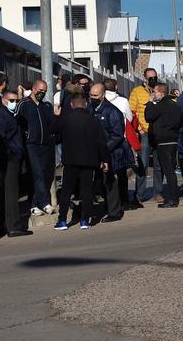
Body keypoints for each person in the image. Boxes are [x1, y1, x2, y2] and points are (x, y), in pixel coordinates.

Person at [52, 95, 108, 230]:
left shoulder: (66, 119)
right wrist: (104, 159)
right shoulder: (93, 120)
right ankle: (85, 220)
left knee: (66, 190)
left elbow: (55, 133)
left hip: (71, 160)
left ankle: (63, 220)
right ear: (86, 105)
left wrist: (56, 116)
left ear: (71, 105)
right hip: (89, 160)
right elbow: (101, 142)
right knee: (87, 190)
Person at [90, 83, 132, 223]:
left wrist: (103, 150)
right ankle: (110, 207)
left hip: (111, 152)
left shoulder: (112, 111)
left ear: (103, 95)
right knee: (99, 183)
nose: (92, 97)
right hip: (97, 152)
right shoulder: (91, 108)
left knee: (109, 182)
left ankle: (114, 212)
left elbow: (117, 135)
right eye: (91, 94)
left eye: (95, 95)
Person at [0, 88, 25, 239]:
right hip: (8, 159)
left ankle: (6, 225)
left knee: (8, 192)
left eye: (16, 101)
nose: (14, 103)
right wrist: (11, 152)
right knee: (11, 193)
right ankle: (13, 226)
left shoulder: (9, 115)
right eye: (11, 101)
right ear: (3, 101)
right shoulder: (2, 116)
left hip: (11, 158)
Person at [18, 79, 55, 218]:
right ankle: (43, 202)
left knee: (44, 174)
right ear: (33, 89)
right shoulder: (24, 104)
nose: (42, 93)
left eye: (45, 91)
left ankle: (35, 204)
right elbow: (19, 122)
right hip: (31, 144)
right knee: (37, 173)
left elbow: (50, 123)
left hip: (45, 144)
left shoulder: (46, 106)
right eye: (40, 91)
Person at [102, 78, 139, 210]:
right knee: (122, 172)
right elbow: (129, 118)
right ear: (116, 86)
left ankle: (108, 201)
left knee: (106, 173)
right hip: (121, 140)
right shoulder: (123, 101)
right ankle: (123, 200)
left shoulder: (99, 102)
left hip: (104, 141)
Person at [144, 82, 182, 208]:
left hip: (164, 141)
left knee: (168, 171)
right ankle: (172, 196)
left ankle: (171, 199)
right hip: (173, 140)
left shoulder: (161, 105)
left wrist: (150, 103)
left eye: (155, 92)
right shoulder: (175, 105)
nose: (153, 94)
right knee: (170, 170)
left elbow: (148, 116)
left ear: (161, 93)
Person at [129, 68, 161, 203]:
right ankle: (139, 194)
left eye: (155, 77)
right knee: (143, 164)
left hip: (159, 133)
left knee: (159, 165)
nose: (153, 80)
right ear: (144, 79)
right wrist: (138, 129)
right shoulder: (137, 92)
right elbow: (131, 112)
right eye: (150, 78)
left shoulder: (160, 90)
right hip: (145, 133)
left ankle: (158, 193)